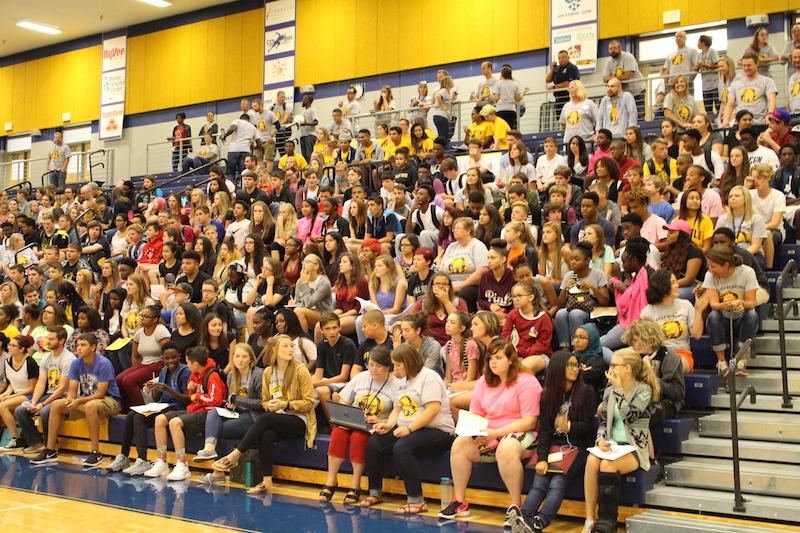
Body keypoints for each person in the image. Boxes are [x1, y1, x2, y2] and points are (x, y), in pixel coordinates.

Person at [439, 339, 541, 525]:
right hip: (490, 434)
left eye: (499, 358)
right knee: (460, 443)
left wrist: (498, 432)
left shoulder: (527, 381)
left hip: (522, 433)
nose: (493, 362)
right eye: (490, 358)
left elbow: (529, 421)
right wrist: (472, 430)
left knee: (507, 447)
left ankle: (516, 507)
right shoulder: (484, 382)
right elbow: (476, 413)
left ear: (511, 360)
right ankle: (460, 501)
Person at [211, 335, 315, 494]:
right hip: (276, 418)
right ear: (275, 350)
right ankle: (267, 481)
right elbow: (264, 401)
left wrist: (285, 404)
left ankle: (235, 455)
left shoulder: (300, 370)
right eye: (285, 346)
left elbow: (310, 402)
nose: (290, 349)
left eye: (291, 346)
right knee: (266, 434)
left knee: (265, 419)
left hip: (298, 420)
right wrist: (271, 405)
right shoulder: (268, 372)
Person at [361, 344, 454, 514]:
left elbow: (432, 409)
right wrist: (388, 425)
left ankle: (416, 500)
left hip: (439, 431)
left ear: (408, 362)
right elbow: (397, 408)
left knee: (402, 447)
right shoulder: (403, 381)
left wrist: (409, 429)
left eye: (397, 365)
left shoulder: (429, 377)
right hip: (410, 428)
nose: (394, 368)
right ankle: (374, 492)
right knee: (374, 442)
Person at [515, 351, 596, 533]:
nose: (574, 369)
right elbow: (545, 431)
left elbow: (590, 427)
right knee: (540, 481)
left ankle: (540, 521)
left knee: (557, 481)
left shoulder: (586, 392)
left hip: (577, 446)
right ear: (559, 368)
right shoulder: (547, 396)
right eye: (570, 365)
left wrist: (569, 426)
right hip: (553, 446)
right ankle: (523, 516)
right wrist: (542, 457)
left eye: (576, 365)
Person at [583, 349, 659, 533]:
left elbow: (630, 417)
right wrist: (600, 440)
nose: (611, 368)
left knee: (607, 465)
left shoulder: (643, 390)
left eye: (615, 365)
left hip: (634, 447)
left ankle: (607, 522)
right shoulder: (609, 391)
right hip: (612, 444)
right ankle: (590, 518)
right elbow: (603, 422)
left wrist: (618, 390)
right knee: (592, 460)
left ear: (627, 368)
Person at [321, 345, 399, 504]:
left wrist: (381, 421)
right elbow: (342, 398)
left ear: (388, 367)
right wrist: (349, 411)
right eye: (371, 365)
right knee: (337, 433)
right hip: (354, 419)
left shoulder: (396, 384)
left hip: (375, 426)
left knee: (358, 438)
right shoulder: (361, 377)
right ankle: (331, 480)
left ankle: (355, 485)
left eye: (378, 366)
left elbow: (397, 412)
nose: (374, 369)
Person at [30, 333, 121, 467]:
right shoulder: (76, 363)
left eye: (83, 345)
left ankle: (96, 452)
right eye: (77, 345)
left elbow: (100, 394)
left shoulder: (104, 363)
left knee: (90, 405)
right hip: (86, 400)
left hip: (110, 400)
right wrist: (70, 400)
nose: (79, 348)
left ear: (93, 347)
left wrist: (78, 401)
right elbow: (72, 390)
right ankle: (50, 450)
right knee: (56, 405)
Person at [143, 346, 226, 480]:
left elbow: (215, 400)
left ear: (195, 364)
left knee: (175, 423)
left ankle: (182, 464)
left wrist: (197, 396)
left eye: (188, 362)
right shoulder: (194, 375)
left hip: (207, 413)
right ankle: (161, 461)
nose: (186, 365)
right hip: (193, 409)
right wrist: (192, 391)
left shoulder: (212, 375)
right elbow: (190, 397)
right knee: (159, 420)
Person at [106, 343, 190, 474]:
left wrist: (167, 388)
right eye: (167, 358)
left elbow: (187, 399)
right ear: (163, 359)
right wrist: (153, 389)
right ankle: (124, 456)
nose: (170, 361)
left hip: (178, 409)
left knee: (139, 418)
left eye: (173, 357)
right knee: (132, 414)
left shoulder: (185, 372)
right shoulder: (163, 371)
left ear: (179, 356)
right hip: (163, 406)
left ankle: (143, 459)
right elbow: (157, 398)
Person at [8, 327, 74, 454]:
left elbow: (62, 388)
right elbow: (41, 383)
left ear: (61, 341)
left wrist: (43, 404)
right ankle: (37, 443)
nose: (46, 341)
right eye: (46, 338)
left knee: (44, 411)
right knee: (20, 410)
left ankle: (51, 445)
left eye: (51, 339)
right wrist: (33, 402)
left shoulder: (68, 359)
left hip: (64, 397)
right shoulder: (46, 358)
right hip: (49, 395)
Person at [622, 319, 686, 444]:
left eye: (642, 340)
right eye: (635, 340)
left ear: (652, 339)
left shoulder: (670, 357)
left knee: (638, 415)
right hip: (633, 399)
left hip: (664, 402)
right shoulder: (630, 357)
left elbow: (677, 393)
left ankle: (646, 457)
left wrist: (650, 378)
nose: (637, 344)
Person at [703, 246, 759, 377]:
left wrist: (741, 303)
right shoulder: (709, 276)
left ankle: (741, 360)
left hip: (740, 317)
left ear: (726, 265)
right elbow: (714, 304)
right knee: (713, 316)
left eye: (713, 266)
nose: (710, 270)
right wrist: (725, 305)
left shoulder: (747, 272)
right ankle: (721, 362)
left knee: (752, 314)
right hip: (723, 318)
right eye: (709, 266)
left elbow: (752, 303)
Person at [554, 242, 610, 348]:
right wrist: (565, 289)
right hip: (572, 306)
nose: (573, 262)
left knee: (575, 314)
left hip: (591, 312)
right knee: (561, 314)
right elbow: (559, 305)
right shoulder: (569, 275)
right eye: (571, 259)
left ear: (587, 260)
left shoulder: (598, 274)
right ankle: (565, 348)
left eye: (577, 259)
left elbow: (605, 302)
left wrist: (594, 288)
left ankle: (578, 348)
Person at [501, 281, 553, 374]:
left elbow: (543, 344)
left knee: (520, 369)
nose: (516, 299)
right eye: (514, 296)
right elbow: (505, 336)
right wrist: (511, 350)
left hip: (538, 355)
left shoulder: (543, 317)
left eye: (519, 296)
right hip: (514, 353)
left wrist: (521, 352)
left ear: (531, 297)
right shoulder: (512, 314)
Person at [440, 217, 489, 312]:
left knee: (464, 294)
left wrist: (460, 286)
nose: (454, 230)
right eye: (454, 228)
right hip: (450, 285)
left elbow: (482, 271)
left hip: (471, 285)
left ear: (468, 231)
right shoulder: (451, 247)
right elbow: (442, 270)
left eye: (458, 228)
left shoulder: (477, 246)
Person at [715, 185, 767, 269]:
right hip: (727, 255)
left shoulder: (756, 218)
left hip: (752, 255)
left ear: (746, 199)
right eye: (730, 196)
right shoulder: (722, 219)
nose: (733, 198)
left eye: (737, 196)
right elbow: (716, 242)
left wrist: (738, 257)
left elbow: (756, 246)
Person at [723, 53, 777, 127]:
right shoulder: (735, 84)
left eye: (749, 65)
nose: (746, 68)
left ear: (757, 64)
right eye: (744, 66)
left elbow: (771, 99)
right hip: (740, 123)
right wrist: (725, 120)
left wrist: (770, 115)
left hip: (759, 123)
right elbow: (730, 104)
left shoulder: (767, 81)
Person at [749, 163, 785, 269]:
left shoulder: (778, 195)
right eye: (753, 178)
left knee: (767, 234)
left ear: (768, 177)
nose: (755, 181)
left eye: (759, 178)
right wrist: (745, 187)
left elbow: (775, 223)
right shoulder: (749, 194)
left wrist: (757, 229)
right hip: (751, 229)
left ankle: (769, 269)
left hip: (774, 230)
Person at [548, 50, 580, 119]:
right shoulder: (557, 68)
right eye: (559, 58)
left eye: (563, 57)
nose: (561, 59)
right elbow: (547, 80)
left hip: (569, 98)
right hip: (558, 99)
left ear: (568, 57)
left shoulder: (572, 68)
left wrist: (554, 87)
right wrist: (552, 69)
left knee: (570, 118)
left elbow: (569, 83)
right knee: (561, 119)